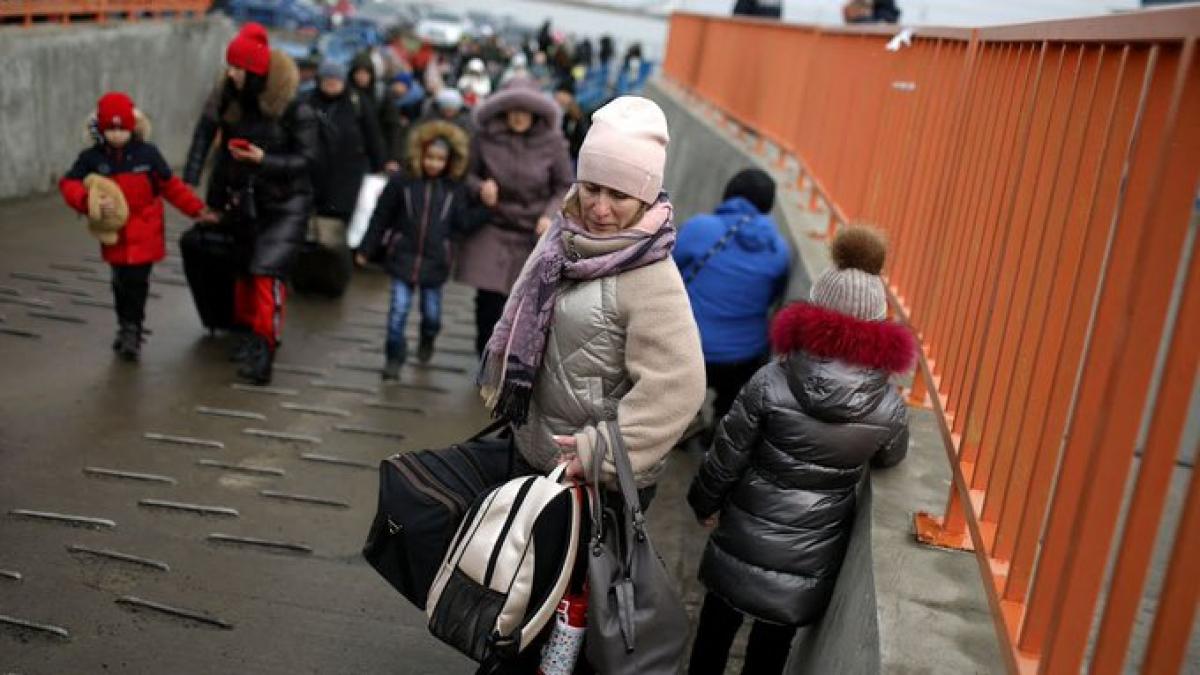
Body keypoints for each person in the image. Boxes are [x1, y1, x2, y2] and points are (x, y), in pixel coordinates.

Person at [469, 97, 705, 669]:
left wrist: (597, 451)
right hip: (539, 457)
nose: (600, 208)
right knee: (524, 592)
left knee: (570, 610)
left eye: (618, 195)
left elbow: (679, 386)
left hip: (595, 482)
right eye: (592, 187)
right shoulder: (563, 239)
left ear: (645, 196)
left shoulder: (650, 274)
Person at [686, 226, 915, 675]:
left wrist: (704, 502)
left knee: (715, 627)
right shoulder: (887, 407)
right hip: (811, 549)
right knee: (772, 645)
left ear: (813, 313)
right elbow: (892, 456)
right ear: (876, 325)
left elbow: (727, 451)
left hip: (744, 527)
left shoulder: (771, 379)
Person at [182, 22, 318, 385]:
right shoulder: (229, 96)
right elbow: (208, 138)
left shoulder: (293, 106)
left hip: (287, 203)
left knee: (265, 273)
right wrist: (198, 186)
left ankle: (265, 348)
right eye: (231, 66)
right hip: (246, 198)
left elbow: (308, 160)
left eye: (238, 67)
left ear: (256, 71)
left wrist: (264, 160)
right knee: (243, 269)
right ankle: (248, 336)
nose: (231, 73)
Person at [59, 92, 216, 361]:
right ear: (101, 129)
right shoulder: (92, 158)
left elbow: (171, 187)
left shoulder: (148, 155)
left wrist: (197, 210)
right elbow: (69, 184)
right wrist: (87, 201)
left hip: (145, 232)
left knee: (137, 281)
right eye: (111, 129)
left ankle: (132, 329)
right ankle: (125, 325)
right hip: (114, 234)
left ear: (132, 127)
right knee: (120, 281)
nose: (117, 135)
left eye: (122, 129)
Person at [455, 77, 573, 355]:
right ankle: (484, 352)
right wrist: (480, 187)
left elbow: (565, 185)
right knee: (489, 299)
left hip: (532, 231)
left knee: (521, 301)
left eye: (525, 110)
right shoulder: (485, 138)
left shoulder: (553, 142)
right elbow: (465, 175)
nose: (519, 116)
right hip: (493, 224)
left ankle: (510, 357)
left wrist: (549, 214)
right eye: (513, 110)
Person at [356, 120, 472, 380]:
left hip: (436, 261)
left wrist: (487, 209)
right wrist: (366, 247)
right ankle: (393, 356)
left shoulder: (454, 189)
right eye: (429, 157)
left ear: (449, 161)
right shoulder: (402, 182)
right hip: (402, 257)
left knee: (432, 315)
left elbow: (462, 222)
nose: (433, 164)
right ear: (420, 154)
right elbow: (381, 216)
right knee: (397, 311)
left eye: (440, 159)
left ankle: (427, 337)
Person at [673, 169, 790, 427]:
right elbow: (772, 300)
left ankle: (684, 423)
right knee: (738, 394)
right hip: (743, 359)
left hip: (689, 349)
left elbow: (666, 275)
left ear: (729, 194)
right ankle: (721, 425)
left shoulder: (700, 228)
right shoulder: (779, 250)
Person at [306, 61, 387, 248]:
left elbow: (373, 136)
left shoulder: (357, 102)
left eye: (336, 80)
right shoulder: (308, 101)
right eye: (327, 79)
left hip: (347, 177)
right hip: (313, 176)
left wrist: (379, 165)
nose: (332, 84)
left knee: (339, 226)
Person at [381, 71, 426, 167]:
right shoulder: (387, 98)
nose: (398, 87)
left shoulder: (416, 102)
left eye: (401, 85)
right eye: (397, 84)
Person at [552, 77, 590, 163]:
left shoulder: (578, 116)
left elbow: (582, 139)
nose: (559, 96)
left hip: (574, 157)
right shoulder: (562, 114)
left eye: (562, 93)